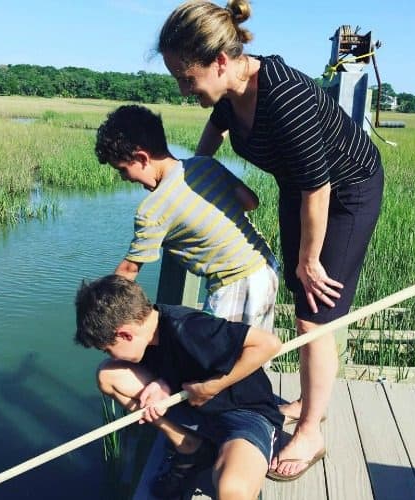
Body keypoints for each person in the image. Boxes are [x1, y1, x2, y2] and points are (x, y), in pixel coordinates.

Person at [157, 0, 384, 480]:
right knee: (303, 302)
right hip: (299, 188)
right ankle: (308, 400)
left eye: (186, 77)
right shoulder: (226, 93)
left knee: (313, 315)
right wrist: (193, 176)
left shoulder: (286, 98)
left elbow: (319, 187)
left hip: (346, 193)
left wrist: (310, 259)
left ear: (220, 61)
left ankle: (311, 431)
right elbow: (214, 137)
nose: (183, 88)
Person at [75, 274, 285, 498]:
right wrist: (161, 383)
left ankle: (239, 448)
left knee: (231, 490)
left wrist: (211, 387)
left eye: (108, 349)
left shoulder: (192, 328)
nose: (111, 356)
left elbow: (269, 344)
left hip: (244, 413)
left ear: (125, 334)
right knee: (109, 375)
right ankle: (189, 446)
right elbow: (177, 362)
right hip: (196, 408)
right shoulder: (147, 335)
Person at [95, 104, 279, 330]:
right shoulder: (205, 164)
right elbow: (251, 202)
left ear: (142, 158)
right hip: (265, 266)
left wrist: (100, 312)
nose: (124, 178)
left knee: (218, 357)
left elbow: (128, 271)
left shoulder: (152, 210)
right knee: (254, 348)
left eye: (122, 169)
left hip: (235, 282)